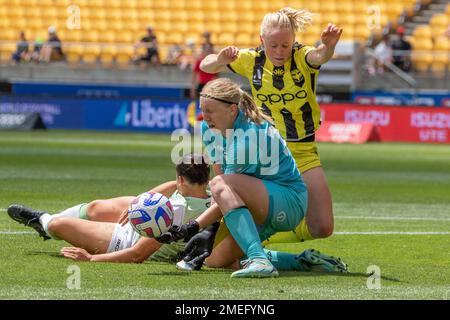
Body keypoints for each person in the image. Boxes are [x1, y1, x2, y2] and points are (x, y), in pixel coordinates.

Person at [160, 78, 347, 278]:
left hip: (287, 200)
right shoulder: (209, 129)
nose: (204, 117)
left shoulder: (247, 137)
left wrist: (194, 227)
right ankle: (302, 261)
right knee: (216, 259)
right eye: (202, 110)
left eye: (210, 111)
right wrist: (206, 229)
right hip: (256, 199)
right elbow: (222, 186)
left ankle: (258, 259)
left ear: (232, 110)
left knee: (220, 187)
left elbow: (224, 186)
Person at [199, 8, 342, 246]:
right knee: (231, 195)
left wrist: (328, 47)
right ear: (261, 40)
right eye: (273, 45)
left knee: (322, 227)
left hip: (303, 150)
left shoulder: (301, 57)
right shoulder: (251, 59)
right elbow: (206, 65)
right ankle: (228, 238)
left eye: (285, 45)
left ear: (294, 42)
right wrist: (220, 60)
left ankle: (259, 239)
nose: (279, 51)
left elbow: (319, 56)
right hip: (266, 150)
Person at [6, 153, 211, 263]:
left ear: (181, 179)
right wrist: (140, 202)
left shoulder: (174, 214)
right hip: (143, 222)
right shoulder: (210, 195)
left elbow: (138, 255)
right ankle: (49, 225)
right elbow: (171, 188)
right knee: (95, 208)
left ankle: (43, 221)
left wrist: (91, 258)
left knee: (59, 224)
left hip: (127, 240)